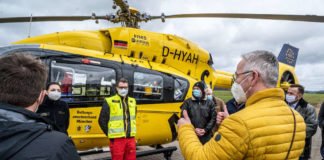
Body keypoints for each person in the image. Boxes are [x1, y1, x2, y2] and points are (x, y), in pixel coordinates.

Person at [177, 50, 306, 159]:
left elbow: (201, 157)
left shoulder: (239, 123)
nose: (235, 82)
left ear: (253, 77)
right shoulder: (297, 119)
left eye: (237, 76)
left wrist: (186, 128)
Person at [0, 54, 79, 159]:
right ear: (42, 95)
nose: (56, 92)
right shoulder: (60, 146)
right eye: (53, 90)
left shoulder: (63, 106)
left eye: (58, 90)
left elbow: (66, 123)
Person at [98, 78, 137, 160]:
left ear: (128, 88)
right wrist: (110, 135)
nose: (123, 89)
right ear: (116, 88)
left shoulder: (132, 101)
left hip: (131, 138)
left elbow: (133, 118)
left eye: (125, 88)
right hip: (117, 140)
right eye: (121, 87)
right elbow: (102, 120)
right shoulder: (109, 101)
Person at [286, 84, 317, 160]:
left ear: (299, 96)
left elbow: (311, 128)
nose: (288, 95)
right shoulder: (282, 105)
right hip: (283, 149)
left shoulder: (308, 108)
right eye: (287, 92)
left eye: (291, 93)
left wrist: (290, 134)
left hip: (300, 150)